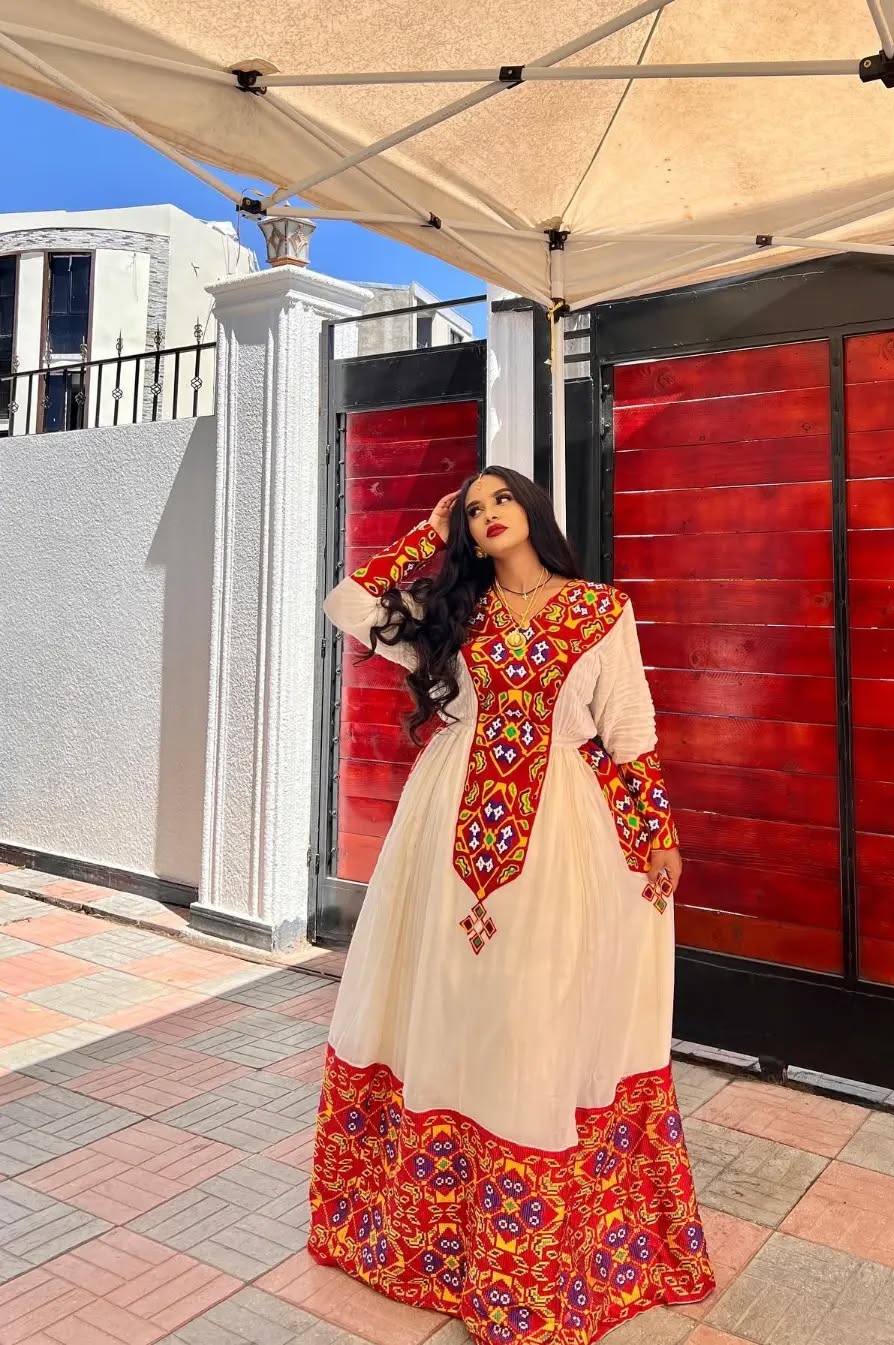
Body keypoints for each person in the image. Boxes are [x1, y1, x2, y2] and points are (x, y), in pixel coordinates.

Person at [308, 466, 715, 1343]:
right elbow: (348, 603)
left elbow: (630, 732)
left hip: (564, 834)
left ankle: (530, 1251)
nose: (488, 514)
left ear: (532, 510)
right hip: (445, 827)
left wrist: (658, 832)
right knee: (457, 1009)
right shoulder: (451, 615)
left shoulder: (604, 608)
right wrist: (430, 533)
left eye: (500, 500)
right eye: (473, 507)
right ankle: (439, 1249)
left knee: (537, 1011)